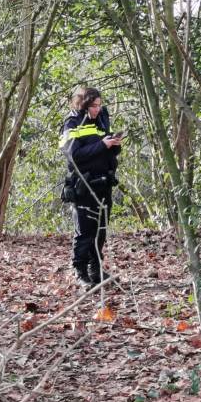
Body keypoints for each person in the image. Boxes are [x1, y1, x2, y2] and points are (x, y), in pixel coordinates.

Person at [59, 87, 123, 288]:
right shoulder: (72, 122)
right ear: (84, 104)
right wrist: (102, 145)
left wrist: (114, 143)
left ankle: (96, 270)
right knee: (85, 232)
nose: (98, 109)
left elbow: (105, 149)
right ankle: (80, 272)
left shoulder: (102, 119)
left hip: (104, 182)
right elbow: (74, 155)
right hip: (84, 185)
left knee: (101, 230)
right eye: (94, 106)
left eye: (99, 105)